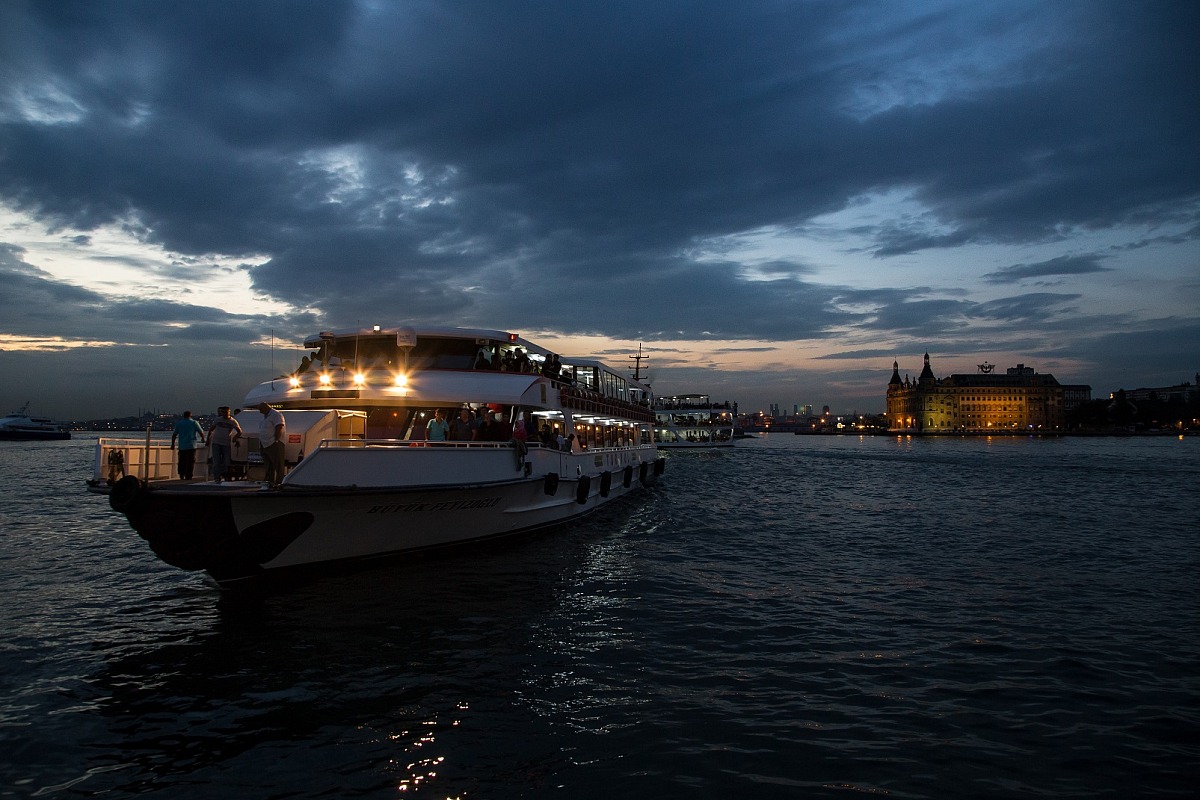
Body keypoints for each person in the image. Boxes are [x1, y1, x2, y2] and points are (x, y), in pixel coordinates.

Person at [206, 406, 242, 482]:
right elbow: (211, 429)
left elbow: (239, 431)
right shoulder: (217, 420)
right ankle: (217, 477)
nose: (224, 414)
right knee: (216, 461)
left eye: (226, 412)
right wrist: (208, 439)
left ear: (229, 412)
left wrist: (235, 437)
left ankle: (226, 476)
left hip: (226, 443)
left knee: (227, 461)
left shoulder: (233, 421)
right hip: (216, 442)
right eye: (223, 412)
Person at [256, 402, 286, 488]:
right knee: (268, 465)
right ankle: (269, 481)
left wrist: (276, 440)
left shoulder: (276, 415)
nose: (260, 412)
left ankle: (280, 483)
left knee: (278, 464)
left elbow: (279, 427)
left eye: (260, 409)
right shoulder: (265, 417)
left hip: (273, 443)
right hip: (265, 444)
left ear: (265, 408)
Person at [170, 410, 207, 480]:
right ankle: (189, 475)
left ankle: (181, 474)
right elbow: (201, 432)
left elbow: (174, 434)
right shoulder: (194, 422)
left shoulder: (179, 423)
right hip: (191, 445)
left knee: (181, 461)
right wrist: (203, 439)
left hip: (182, 446)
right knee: (191, 461)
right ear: (190, 415)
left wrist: (172, 444)